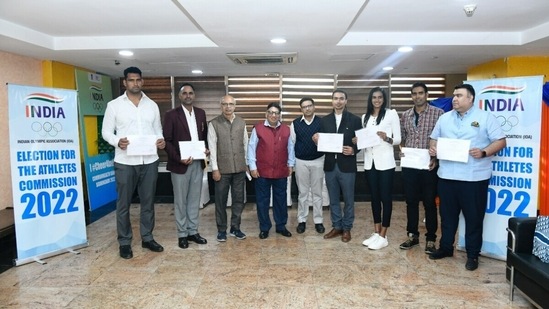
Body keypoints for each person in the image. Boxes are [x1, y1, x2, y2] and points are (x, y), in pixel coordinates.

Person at [428, 83, 506, 271]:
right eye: (454, 95)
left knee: (473, 218)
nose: (454, 98)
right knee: (447, 217)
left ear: (470, 98)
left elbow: (501, 141)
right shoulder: (444, 118)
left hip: (474, 179)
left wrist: (484, 152)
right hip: (447, 176)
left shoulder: (485, 117)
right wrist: (433, 149)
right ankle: (446, 248)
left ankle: (472, 255)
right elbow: (434, 138)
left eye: (459, 95)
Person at [102, 66, 165, 259]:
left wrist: (160, 140)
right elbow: (106, 132)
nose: (135, 83)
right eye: (131, 80)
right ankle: (124, 242)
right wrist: (116, 141)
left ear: (142, 82)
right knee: (124, 204)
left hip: (149, 160)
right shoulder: (114, 105)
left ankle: (147, 238)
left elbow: (158, 129)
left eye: (138, 80)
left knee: (148, 202)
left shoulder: (152, 105)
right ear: (125, 82)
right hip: (125, 161)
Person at [399, 83, 444, 254]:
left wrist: (436, 158)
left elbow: (443, 139)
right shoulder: (406, 115)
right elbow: (403, 138)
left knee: (429, 203)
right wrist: (403, 151)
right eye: (414, 94)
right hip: (410, 165)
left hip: (429, 165)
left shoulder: (438, 114)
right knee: (411, 201)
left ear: (426, 94)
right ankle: (413, 235)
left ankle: (431, 238)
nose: (417, 96)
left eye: (420, 93)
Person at [163, 83, 209, 249]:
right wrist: (178, 158)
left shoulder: (201, 113)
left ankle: (193, 231)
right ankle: (182, 234)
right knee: (181, 200)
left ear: (194, 95)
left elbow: (203, 137)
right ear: (179, 96)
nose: (188, 96)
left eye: (191, 93)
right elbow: (166, 140)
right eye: (185, 93)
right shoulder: (171, 114)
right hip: (179, 165)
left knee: (194, 199)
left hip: (197, 163)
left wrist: (206, 150)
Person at [314, 89, 362, 243]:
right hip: (330, 166)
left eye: (342, 98)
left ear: (346, 101)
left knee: (348, 199)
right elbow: (321, 142)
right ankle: (337, 226)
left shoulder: (354, 120)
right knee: (333, 199)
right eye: (336, 98)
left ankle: (347, 228)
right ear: (332, 101)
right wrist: (316, 140)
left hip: (347, 166)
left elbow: (362, 141)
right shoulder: (324, 120)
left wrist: (354, 150)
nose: (338, 101)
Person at [360, 87, 401, 250]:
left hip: (386, 163)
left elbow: (398, 139)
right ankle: (376, 232)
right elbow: (365, 139)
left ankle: (384, 235)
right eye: (374, 97)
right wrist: (359, 140)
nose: (377, 100)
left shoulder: (391, 114)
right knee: (374, 198)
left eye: (380, 97)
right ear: (370, 100)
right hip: (370, 163)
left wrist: (386, 137)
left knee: (385, 198)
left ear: (384, 99)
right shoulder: (365, 117)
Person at [248, 102, 295, 239]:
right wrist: (253, 167)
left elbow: (290, 148)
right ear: (266, 114)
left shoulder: (287, 129)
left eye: (276, 113)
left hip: (281, 171)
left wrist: (291, 165)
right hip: (262, 172)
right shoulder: (258, 129)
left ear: (280, 115)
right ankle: (264, 228)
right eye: (271, 112)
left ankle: (281, 226)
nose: (273, 115)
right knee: (262, 200)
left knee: (280, 200)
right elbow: (251, 149)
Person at [207, 95, 248, 242]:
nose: (228, 107)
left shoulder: (242, 122)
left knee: (239, 200)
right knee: (220, 201)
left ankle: (235, 228)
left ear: (235, 106)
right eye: (225, 104)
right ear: (221, 106)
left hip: (239, 169)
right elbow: (212, 147)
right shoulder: (214, 123)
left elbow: (245, 144)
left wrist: (247, 165)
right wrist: (215, 169)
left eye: (231, 104)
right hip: (222, 170)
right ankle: (221, 229)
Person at [291, 97, 325, 234]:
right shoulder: (295, 124)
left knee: (317, 192)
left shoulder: (322, 122)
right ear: (301, 109)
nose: (307, 108)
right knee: (303, 193)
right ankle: (302, 220)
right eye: (304, 107)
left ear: (314, 107)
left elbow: (328, 142)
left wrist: (319, 142)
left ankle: (318, 221)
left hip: (318, 160)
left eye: (310, 105)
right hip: (301, 162)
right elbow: (292, 143)